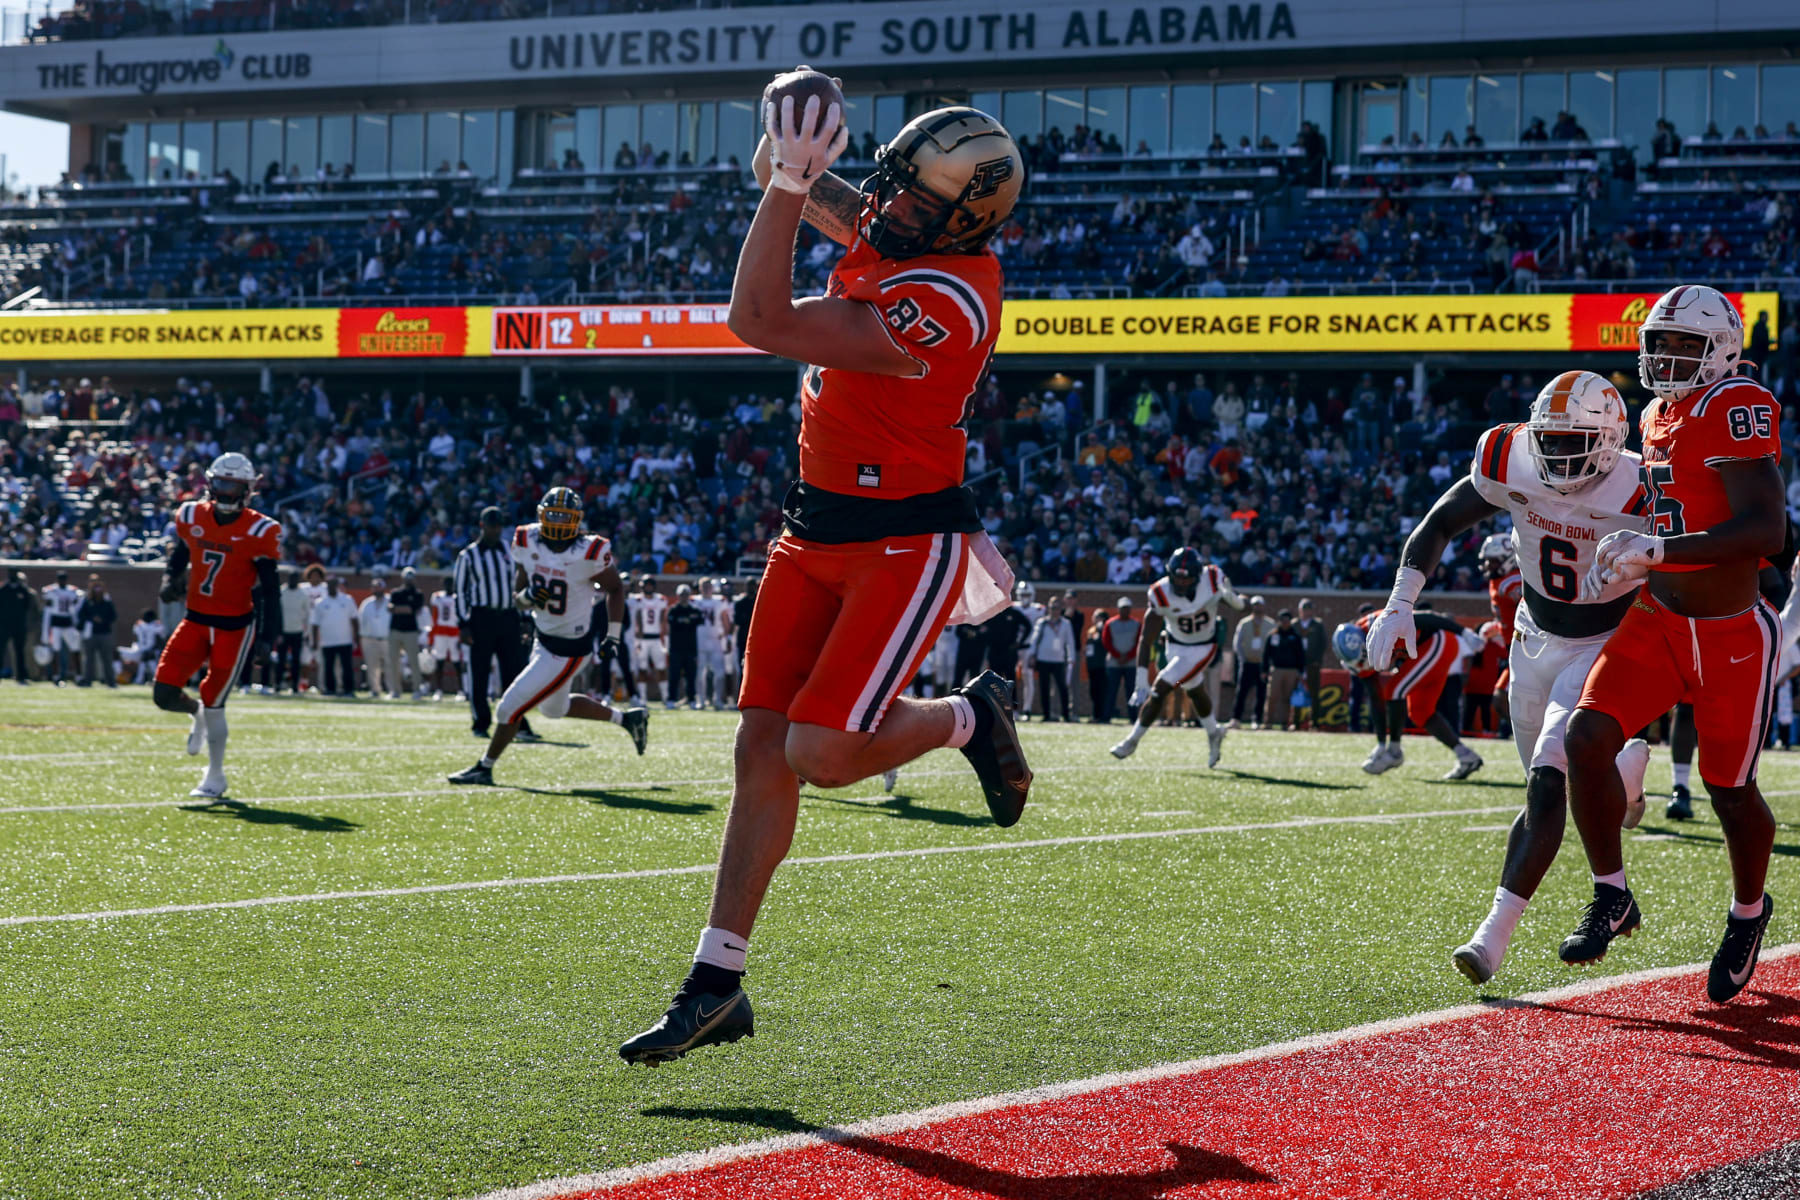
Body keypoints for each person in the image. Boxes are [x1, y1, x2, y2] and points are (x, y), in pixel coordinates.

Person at [620, 93, 1028, 1066]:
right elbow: (786, 176)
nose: (886, 205)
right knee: (759, 748)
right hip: (813, 528)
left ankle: (968, 716)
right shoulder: (911, 236)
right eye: (890, 183)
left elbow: (756, 316)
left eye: (912, 199)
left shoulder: (947, 297)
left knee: (822, 751)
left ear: (960, 220)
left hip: (903, 539)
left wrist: (797, 180)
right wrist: (794, 127)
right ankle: (716, 985)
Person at [1557, 285, 1782, 1002]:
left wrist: (1654, 549)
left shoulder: (1735, 405)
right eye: (1659, 342)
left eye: (1684, 343)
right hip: (1657, 620)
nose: (1666, 355)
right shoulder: (1657, 412)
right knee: (1585, 740)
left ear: (1721, 347)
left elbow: (1766, 532)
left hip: (1728, 635)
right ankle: (1611, 893)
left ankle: (1749, 913)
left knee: (1730, 793)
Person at [448, 488, 648, 785]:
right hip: (543, 638)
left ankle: (484, 767)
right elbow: (518, 598)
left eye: (564, 517)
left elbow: (616, 589)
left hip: (570, 648)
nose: (557, 522)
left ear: (577, 520)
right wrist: (529, 597)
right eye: (552, 515)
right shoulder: (526, 540)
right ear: (541, 514)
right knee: (555, 709)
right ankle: (628, 719)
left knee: (508, 707)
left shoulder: (589, 551)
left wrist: (613, 636)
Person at [152, 453, 281, 799]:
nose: (225, 492)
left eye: (233, 486)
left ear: (248, 490)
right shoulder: (192, 514)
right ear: (210, 484)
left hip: (234, 627)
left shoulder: (260, 530)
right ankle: (193, 712)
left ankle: (215, 776)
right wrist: (170, 578)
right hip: (195, 618)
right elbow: (182, 551)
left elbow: (270, 590)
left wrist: (268, 637)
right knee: (163, 694)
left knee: (214, 699)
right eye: (221, 483)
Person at [1336, 608, 1483, 779]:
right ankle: (1466, 756)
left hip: (1437, 640)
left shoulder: (1383, 624)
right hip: (1420, 654)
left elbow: (1428, 617)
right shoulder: (1357, 653)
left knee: (1394, 690)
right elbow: (1376, 697)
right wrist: (1380, 743)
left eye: (1365, 656)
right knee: (1420, 712)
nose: (1366, 663)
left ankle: (1395, 752)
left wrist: (1463, 632)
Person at [455, 507, 534, 740]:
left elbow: (520, 586)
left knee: (514, 672)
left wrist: (525, 619)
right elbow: (461, 591)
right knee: (479, 673)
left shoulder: (510, 552)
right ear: (482, 526)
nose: (496, 530)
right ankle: (480, 722)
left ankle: (518, 723)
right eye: (492, 526)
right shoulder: (468, 555)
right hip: (482, 617)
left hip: (508, 616)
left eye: (499, 526)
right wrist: (464, 624)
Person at [1026, 594, 1074, 721]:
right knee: (1044, 688)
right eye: (1052, 607)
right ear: (1049, 608)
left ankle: (1066, 714)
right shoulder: (1042, 623)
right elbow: (1034, 641)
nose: (1055, 610)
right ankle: (1046, 714)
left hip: (1059, 660)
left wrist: (1071, 658)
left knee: (1063, 688)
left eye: (1057, 608)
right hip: (1043, 660)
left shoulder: (1065, 623)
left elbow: (1070, 642)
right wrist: (1031, 655)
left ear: (1061, 609)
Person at [1229, 596, 1275, 728]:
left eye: (1259, 605)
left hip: (1262, 664)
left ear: (1264, 607)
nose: (1257, 608)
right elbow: (1237, 644)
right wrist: (1242, 659)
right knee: (1241, 692)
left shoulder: (1270, 624)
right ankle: (1236, 719)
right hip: (1247, 662)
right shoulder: (1244, 623)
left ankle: (1257, 720)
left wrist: (1268, 662)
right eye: (1255, 605)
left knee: (1261, 693)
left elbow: (1273, 645)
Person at [308, 577, 359, 697]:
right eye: (329, 584)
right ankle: (330, 689)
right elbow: (315, 624)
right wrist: (315, 640)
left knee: (347, 667)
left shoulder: (347, 599)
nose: (331, 586)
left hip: (345, 640)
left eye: (333, 584)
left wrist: (355, 638)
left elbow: (354, 620)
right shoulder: (320, 602)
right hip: (327, 641)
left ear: (337, 585)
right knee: (328, 667)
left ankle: (348, 690)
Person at [388, 567, 428, 700]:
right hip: (395, 630)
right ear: (403, 578)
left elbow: (412, 610)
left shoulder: (418, 594)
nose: (409, 581)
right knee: (393, 662)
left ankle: (417, 689)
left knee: (414, 662)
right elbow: (390, 608)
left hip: (411, 631)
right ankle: (395, 690)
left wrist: (398, 609)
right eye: (407, 578)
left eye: (411, 578)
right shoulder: (396, 593)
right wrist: (403, 609)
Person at [1264, 608, 1307, 730]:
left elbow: (1301, 655)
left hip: (1292, 671)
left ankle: (1285, 723)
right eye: (1282, 620)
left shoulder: (1295, 636)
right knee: (1272, 697)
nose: (1284, 622)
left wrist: (1300, 671)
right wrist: (1264, 670)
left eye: (1287, 620)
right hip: (1276, 670)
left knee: (1287, 698)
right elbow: (1266, 654)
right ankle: (1268, 722)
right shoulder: (1273, 635)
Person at [695, 578, 734, 709]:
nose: (706, 589)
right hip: (699, 641)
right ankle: (701, 699)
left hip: (716, 641)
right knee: (700, 673)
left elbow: (726, 621)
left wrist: (727, 638)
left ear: (713, 588)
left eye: (708, 586)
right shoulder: (694, 601)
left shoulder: (719, 601)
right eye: (704, 586)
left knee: (720, 672)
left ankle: (717, 699)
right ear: (700, 588)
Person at [1009, 581, 1046, 716]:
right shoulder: (1013, 607)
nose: (1025, 597)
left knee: (1028, 676)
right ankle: (1013, 709)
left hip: (1029, 647)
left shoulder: (1039, 609)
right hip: (1015, 647)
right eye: (1022, 594)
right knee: (1011, 676)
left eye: (1027, 594)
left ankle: (1027, 708)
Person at [1101, 599, 1141, 722]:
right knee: (1111, 691)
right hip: (1114, 663)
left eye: (1127, 608)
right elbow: (1106, 641)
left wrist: (1128, 656)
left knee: (1131, 691)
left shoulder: (1136, 624)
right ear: (1118, 609)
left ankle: (1133, 718)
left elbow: (1140, 642)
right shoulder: (1110, 623)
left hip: (1131, 663)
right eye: (1123, 608)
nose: (1125, 610)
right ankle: (1106, 716)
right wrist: (1118, 656)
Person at [631, 577, 669, 705]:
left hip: (656, 638)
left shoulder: (661, 600)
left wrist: (665, 640)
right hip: (642, 639)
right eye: (646, 585)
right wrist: (637, 641)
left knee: (661, 668)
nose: (648, 588)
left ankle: (665, 697)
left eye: (650, 585)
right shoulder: (636, 600)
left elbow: (663, 621)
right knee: (642, 669)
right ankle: (642, 698)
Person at [40, 569, 82, 685]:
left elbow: (78, 603)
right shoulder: (50, 590)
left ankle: (78, 675)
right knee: (55, 650)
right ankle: (56, 676)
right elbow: (46, 604)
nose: (62, 581)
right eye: (60, 579)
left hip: (68, 622)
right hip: (56, 623)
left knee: (75, 649)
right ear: (57, 580)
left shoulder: (72, 590)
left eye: (64, 579)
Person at [77, 574, 117, 688]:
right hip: (91, 634)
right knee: (88, 659)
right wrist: (92, 618)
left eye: (99, 588)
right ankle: (87, 681)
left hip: (104, 633)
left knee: (107, 659)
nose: (97, 591)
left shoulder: (107, 602)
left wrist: (102, 620)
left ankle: (111, 682)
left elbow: (113, 616)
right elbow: (81, 615)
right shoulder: (87, 601)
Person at [666, 584, 703, 708]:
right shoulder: (673, 610)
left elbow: (699, 620)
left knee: (691, 675)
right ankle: (671, 699)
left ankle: (691, 699)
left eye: (686, 594)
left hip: (690, 648)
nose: (684, 597)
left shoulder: (694, 610)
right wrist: (687, 622)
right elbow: (674, 623)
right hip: (676, 648)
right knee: (674, 675)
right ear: (678, 595)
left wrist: (685, 621)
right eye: (682, 594)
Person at [358, 577, 393, 698]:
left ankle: (391, 689)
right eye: (374, 586)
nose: (377, 588)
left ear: (384, 588)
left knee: (390, 665)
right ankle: (375, 689)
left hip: (387, 639)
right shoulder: (366, 603)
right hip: (369, 639)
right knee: (372, 666)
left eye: (379, 586)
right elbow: (361, 622)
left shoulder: (390, 601)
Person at [427, 582, 463, 701]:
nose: (449, 587)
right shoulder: (437, 596)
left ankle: (460, 690)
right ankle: (438, 690)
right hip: (440, 632)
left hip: (454, 632)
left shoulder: (458, 598)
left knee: (456, 662)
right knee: (440, 661)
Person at [1296, 598, 1326, 729]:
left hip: (1312, 664)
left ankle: (1314, 722)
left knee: (1314, 693)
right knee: (1296, 693)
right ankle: (1295, 722)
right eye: (1304, 609)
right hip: (1297, 664)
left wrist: (1317, 661)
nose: (1306, 612)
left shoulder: (1317, 625)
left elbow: (1323, 644)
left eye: (1309, 609)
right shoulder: (1294, 624)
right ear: (1300, 610)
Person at [0, 569, 32, 683]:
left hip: (18, 625)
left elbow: (27, 606)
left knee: (19, 651)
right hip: (4, 625)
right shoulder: (3, 589)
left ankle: (21, 675)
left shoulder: (23, 590)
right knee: (1, 650)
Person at [1084, 606, 1112, 722]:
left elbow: (1104, 643)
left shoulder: (1105, 630)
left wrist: (1101, 629)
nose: (1095, 619)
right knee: (1094, 692)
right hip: (1092, 665)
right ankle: (1095, 715)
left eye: (1098, 617)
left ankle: (1102, 716)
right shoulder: (1091, 630)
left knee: (1102, 692)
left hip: (1102, 665)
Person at [129, 608, 163, 685]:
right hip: (142, 650)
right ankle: (156, 679)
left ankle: (140, 679)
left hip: (148, 651)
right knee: (146, 658)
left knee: (146, 659)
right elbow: (160, 638)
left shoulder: (139, 625)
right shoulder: (155, 625)